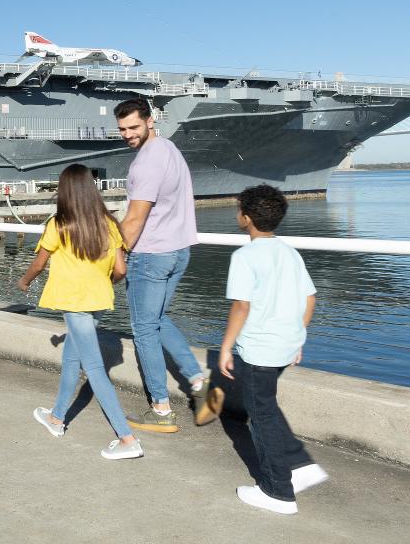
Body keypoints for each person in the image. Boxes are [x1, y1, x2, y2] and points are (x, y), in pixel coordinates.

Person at [17, 164, 143, 460]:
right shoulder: (109, 224)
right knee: (71, 357)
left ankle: (127, 438)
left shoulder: (59, 224)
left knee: (95, 370)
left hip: (74, 303)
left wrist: (23, 281)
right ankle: (57, 418)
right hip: (99, 301)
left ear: (64, 192)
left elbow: (39, 263)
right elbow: (121, 270)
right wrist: (101, 283)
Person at [215, 184, 323, 515]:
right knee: (267, 408)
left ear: (245, 218)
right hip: (285, 346)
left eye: (238, 210)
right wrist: (297, 337)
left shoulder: (244, 256)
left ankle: (279, 492)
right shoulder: (290, 252)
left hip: (258, 350)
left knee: (261, 416)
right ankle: (299, 466)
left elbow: (241, 307)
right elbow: (310, 299)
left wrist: (225, 347)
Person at [114, 98, 208, 434]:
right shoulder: (169, 148)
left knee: (143, 330)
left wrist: (116, 255)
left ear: (150, 121)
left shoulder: (146, 163)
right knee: (157, 319)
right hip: (179, 250)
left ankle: (161, 408)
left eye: (134, 127)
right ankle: (198, 382)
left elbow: (136, 217)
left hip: (151, 254)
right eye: (123, 129)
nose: (128, 134)